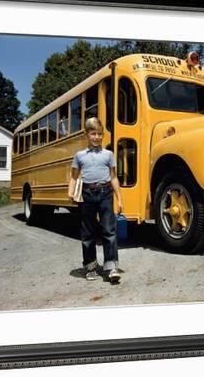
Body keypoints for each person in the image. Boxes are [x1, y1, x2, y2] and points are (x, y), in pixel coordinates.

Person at [68, 117, 123, 283]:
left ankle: (111, 266)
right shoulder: (80, 156)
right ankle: (90, 266)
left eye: (100, 134)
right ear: (86, 134)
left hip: (106, 193)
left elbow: (113, 178)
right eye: (93, 134)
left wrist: (119, 198)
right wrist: (70, 192)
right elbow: (73, 176)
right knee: (88, 233)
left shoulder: (108, 155)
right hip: (87, 194)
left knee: (109, 230)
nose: (97, 137)